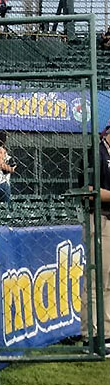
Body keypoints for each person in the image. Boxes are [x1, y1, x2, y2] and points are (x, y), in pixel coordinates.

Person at [80, 122, 110, 353]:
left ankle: (106, 333)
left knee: (108, 282)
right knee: (96, 279)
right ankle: (92, 336)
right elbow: (88, 189)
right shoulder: (95, 153)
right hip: (99, 219)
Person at [0, 130, 15, 204]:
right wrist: (11, 169)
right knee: (5, 206)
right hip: (1, 183)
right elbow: (0, 164)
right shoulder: (0, 150)